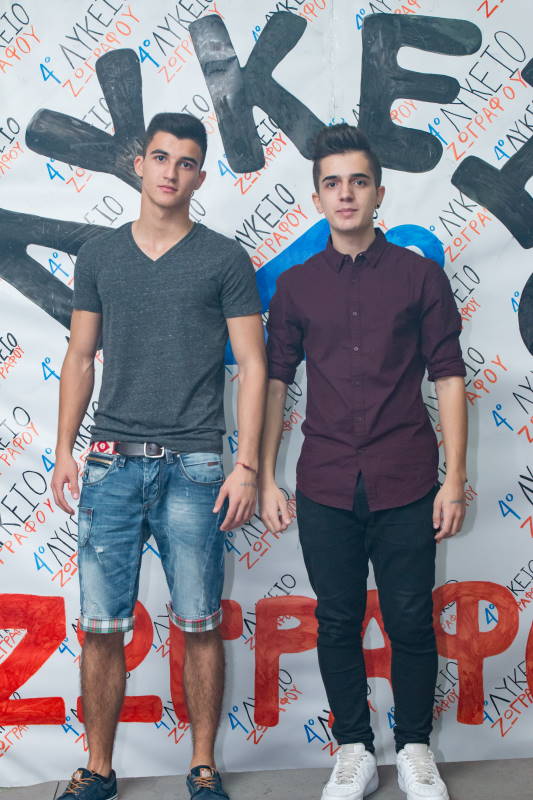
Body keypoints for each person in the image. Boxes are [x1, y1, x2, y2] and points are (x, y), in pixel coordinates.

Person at [52, 112, 266, 800]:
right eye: (161, 156)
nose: (171, 171)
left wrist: (247, 465)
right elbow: (80, 356)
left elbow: (254, 366)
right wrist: (62, 450)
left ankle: (202, 767)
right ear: (139, 163)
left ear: (200, 176)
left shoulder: (224, 258)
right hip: (110, 464)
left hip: (195, 466)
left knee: (199, 623)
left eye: (186, 162)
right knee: (100, 628)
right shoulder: (100, 256)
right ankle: (99, 770)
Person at [260, 124, 467, 800]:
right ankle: (353, 748)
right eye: (332, 183)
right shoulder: (295, 287)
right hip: (324, 482)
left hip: (407, 476)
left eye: (357, 181)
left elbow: (448, 376)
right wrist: (265, 475)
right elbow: (275, 383)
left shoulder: (419, 276)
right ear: (317, 197)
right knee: (336, 619)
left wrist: (455, 479)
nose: (345, 193)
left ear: (379, 192)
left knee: (409, 620)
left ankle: (413, 749)